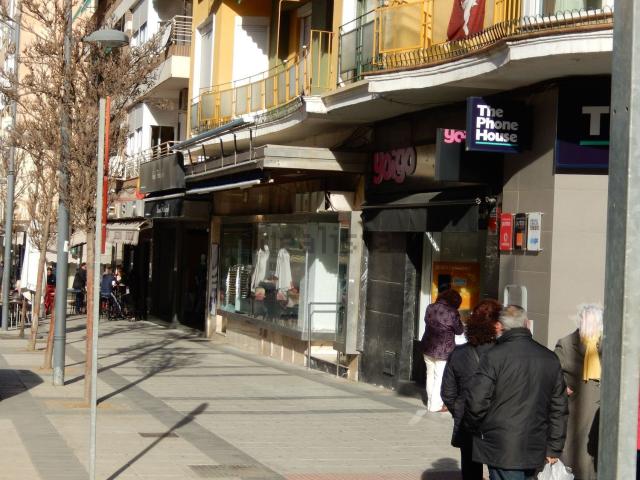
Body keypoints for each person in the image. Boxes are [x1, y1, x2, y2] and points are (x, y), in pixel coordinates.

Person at [464, 305, 569, 480]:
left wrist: (476, 428)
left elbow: (476, 402)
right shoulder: (549, 357)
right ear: (526, 323)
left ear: (500, 326)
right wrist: (554, 446)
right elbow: (559, 407)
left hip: (501, 445)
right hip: (534, 443)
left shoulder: (493, 356)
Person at [441, 299, 502, 480]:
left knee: (470, 471)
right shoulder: (504, 353)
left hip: (467, 422)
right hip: (498, 423)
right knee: (499, 471)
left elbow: (447, 393)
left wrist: (460, 410)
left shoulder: (458, 353)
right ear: (496, 325)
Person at [554, 304, 603, 480]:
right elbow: (553, 375)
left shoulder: (609, 345)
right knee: (580, 463)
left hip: (602, 414)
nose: (588, 326)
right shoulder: (567, 344)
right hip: (578, 412)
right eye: (585, 321)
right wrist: (563, 388)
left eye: (593, 323)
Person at [421, 288, 463, 412]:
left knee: (430, 374)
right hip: (444, 350)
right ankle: (435, 405)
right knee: (439, 377)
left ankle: (430, 402)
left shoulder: (430, 307)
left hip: (428, 346)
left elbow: (427, 321)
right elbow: (459, 330)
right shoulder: (452, 313)